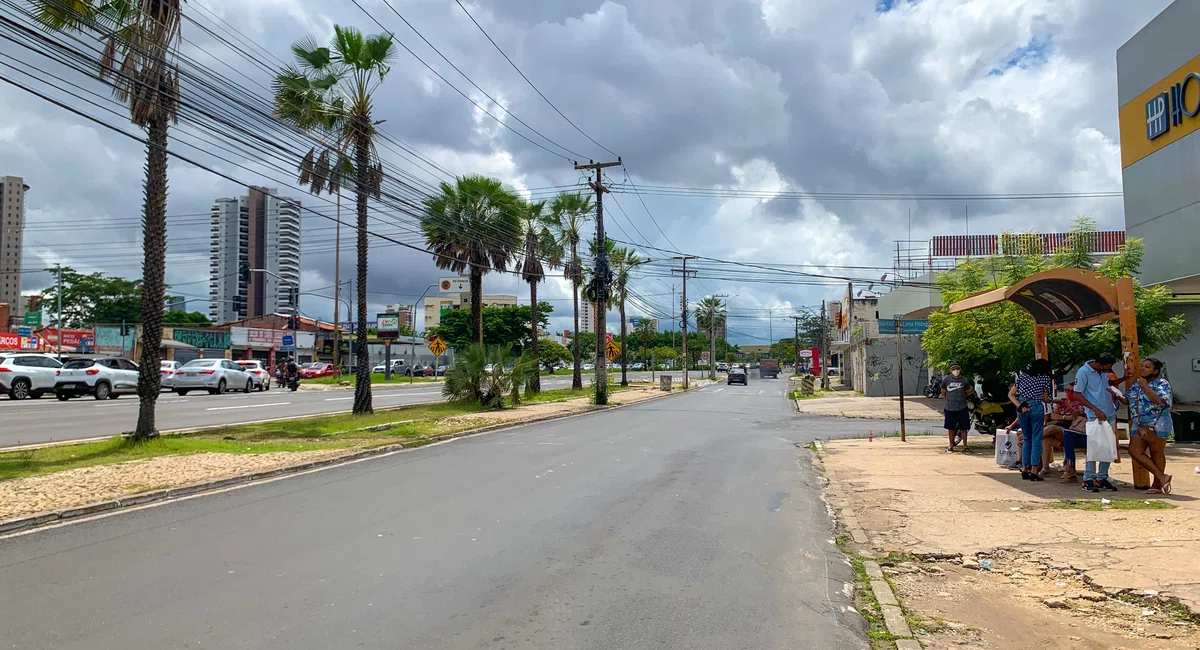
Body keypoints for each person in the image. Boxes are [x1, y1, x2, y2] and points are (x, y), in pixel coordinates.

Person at [1119, 358, 1174, 494]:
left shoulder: (1162, 383)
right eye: (1142, 366)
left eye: (1147, 367)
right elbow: (1128, 399)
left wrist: (1145, 387)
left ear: (1155, 371)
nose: (1143, 368)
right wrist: (1116, 394)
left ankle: (1157, 484)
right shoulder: (1137, 383)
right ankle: (1162, 477)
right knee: (1134, 451)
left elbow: (1161, 401)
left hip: (1157, 421)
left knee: (1156, 452)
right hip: (1138, 422)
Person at [1072, 353, 1124, 493]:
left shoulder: (1103, 372)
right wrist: (1095, 409)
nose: (1108, 369)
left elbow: (1106, 385)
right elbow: (1077, 394)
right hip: (1095, 415)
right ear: (1098, 363)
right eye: (1107, 366)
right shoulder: (1083, 372)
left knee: (1107, 446)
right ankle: (1088, 478)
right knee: (1094, 447)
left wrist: (1125, 378)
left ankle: (1102, 477)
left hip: (1109, 413)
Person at [1009, 358, 1053, 481]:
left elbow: (1011, 394)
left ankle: (1024, 468)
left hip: (1022, 406)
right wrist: (1050, 400)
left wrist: (1019, 406)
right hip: (1036, 406)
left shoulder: (1022, 377)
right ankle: (1034, 470)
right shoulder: (1045, 378)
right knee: (1037, 438)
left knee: (1026, 438)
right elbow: (1045, 398)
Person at [1043, 383, 1086, 482]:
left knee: (1052, 428)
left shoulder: (1080, 405)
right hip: (1062, 430)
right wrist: (1066, 417)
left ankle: (1029, 438)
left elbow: (1076, 418)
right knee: (1046, 439)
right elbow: (1053, 416)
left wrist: (1063, 417)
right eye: (1068, 390)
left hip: (1072, 431)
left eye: (1072, 391)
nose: (1069, 393)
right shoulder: (1062, 402)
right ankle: (1045, 468)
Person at [941, 363, 973, 453]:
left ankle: (965, 446)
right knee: (951, 427)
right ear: (950, 370)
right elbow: (943, 392)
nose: (956, 370)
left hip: (962, 407)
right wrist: (948, 400)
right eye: (953, 369)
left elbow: (967, 392)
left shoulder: (965, 380)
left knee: (964, 427)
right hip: (950, 408)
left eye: (957, 368)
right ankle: (951, 445)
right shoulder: (946, 380)